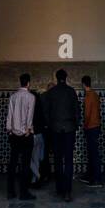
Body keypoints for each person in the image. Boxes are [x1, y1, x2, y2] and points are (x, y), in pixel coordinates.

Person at [42, 68, 79, 201]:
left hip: (56, 130)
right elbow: (77, 110)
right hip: (69, 129)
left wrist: (50, 125)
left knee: (57, 160)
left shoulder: (51, 93)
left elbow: (46, 112)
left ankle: (59, 189)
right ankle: (68, 191)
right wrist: (76, 126)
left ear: (56, 78)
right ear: (66, 77)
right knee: (69, 160)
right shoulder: (71, 92)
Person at [6, 72, 36, 200]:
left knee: (12, 163)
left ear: (20, 82)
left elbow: (10, 115)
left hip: (13, 134)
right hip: (25, 135)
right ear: (28, 83)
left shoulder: (13, 97)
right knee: (25, 164)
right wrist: (28, 129)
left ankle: (11, 192)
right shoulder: (31, 97)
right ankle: (24, 193)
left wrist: (9, 129)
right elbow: (30, 115)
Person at [79, 75, 103, 188]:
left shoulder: (88, 96)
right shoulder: (95, 95)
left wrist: (85, 125)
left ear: (83, 84)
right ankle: (91, 176)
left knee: (93, 154)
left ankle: (97, 179)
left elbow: (87, 114)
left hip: (91, 127)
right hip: (97, 126)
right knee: (93, 153)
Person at [29, 84, 47, 187]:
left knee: (27, 158)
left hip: (32, 135)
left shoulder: (30, 110)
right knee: (36, 159)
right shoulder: (41, 109)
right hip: (40, 136)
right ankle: (34, 180)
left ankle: (38, 176)